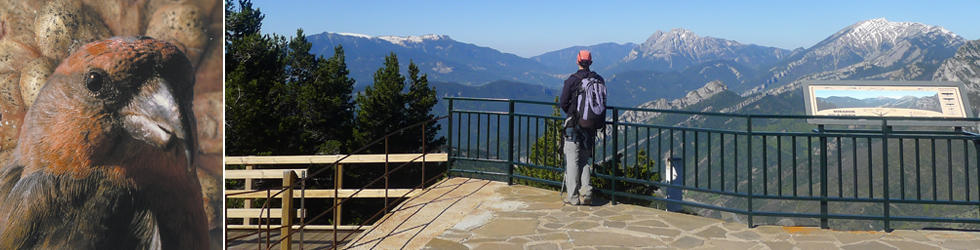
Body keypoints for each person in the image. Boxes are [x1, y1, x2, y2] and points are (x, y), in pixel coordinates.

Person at [559, 50, 605, 205]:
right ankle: (587, 193)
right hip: (590, 126)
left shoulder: (572, 80)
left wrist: (573, 114)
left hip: (573, 126)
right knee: (585, 160)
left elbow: (563, 103)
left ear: (577, 61)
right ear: (590, 63)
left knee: (572, 160)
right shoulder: (599, 79)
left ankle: (572, 197)